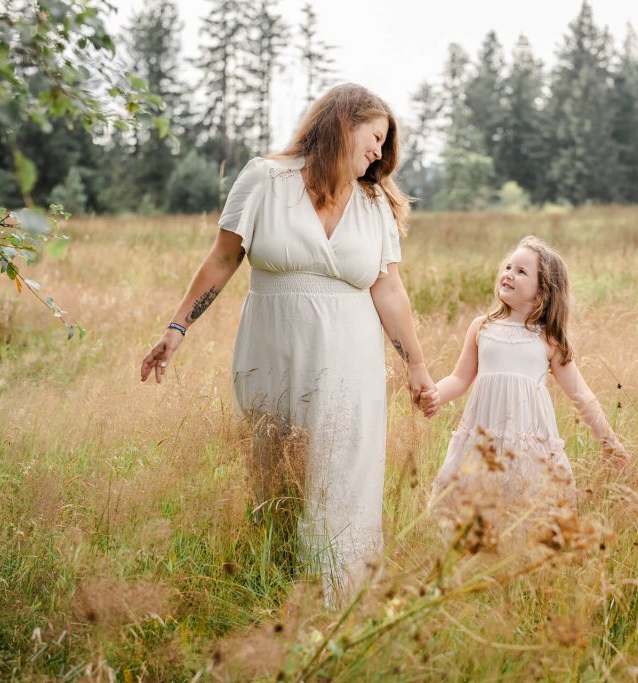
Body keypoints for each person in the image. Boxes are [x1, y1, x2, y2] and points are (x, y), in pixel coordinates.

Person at [140, 84, 435, 605]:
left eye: (384, 145)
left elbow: (387, 288)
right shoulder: (265, 179)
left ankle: (340, 602)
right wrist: (176, 328)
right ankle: (274, 597)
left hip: (350, 362)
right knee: (275, 476)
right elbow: (223, 258)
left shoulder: (374, 205)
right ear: (343, 122)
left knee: (341, 475)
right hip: (271, 354)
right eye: (375, 138)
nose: (378, 153)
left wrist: (416, 364)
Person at [420, 236, 629, 534]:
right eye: (508, 267)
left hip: (526, 446)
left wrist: (609, 441)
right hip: (483, 441)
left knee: (523, 520)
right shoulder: (482, 327)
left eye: (521, 271)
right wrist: (435, 395)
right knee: (470, 515)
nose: (509, 274)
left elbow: (581, 394)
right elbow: (459, 378)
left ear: (542, 291)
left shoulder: (548, 339)